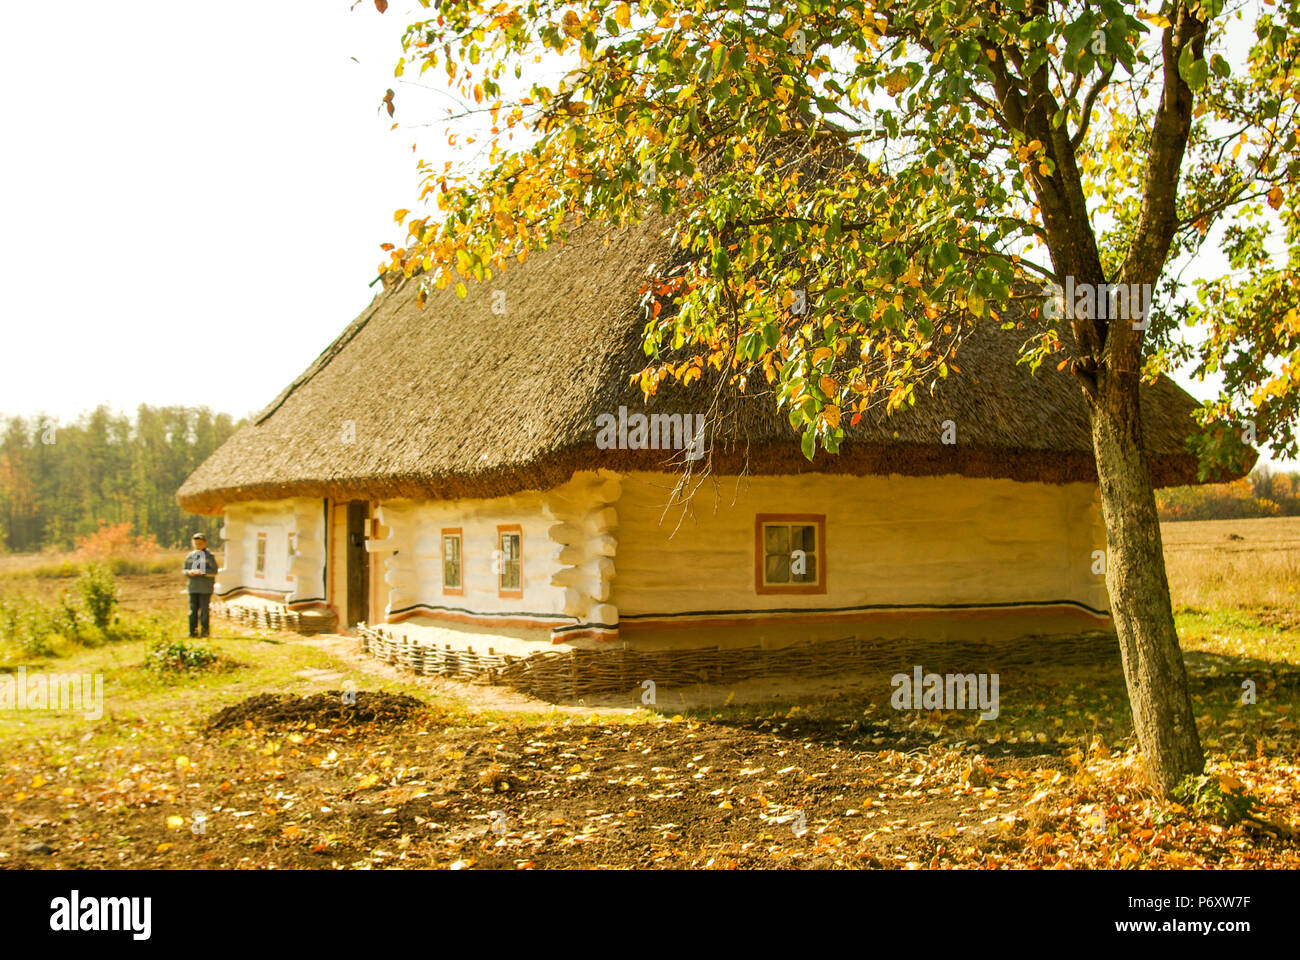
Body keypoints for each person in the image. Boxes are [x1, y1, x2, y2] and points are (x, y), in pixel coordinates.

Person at [183, 533, 219, 638]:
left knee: (204, 611)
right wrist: (189, 573)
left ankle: (205, 632)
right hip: (193, 587)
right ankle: (192, 632)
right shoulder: (190, 556)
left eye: (200, 543)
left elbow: (214, 571)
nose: (198, 545)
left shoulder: (209, 556)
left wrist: (203, 572)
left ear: (205, 543)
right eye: (196, 543)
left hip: (205, 588)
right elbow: (184, 570)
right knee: (192, 611)